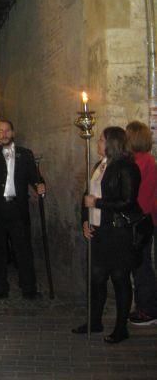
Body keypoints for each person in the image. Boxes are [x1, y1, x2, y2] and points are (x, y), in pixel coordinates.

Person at [72, 126, 141, 343]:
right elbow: (87, 196)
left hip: (118, 232)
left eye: (101, 140)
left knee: (120, 279)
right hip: (98, 230)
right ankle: (95, 321)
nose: (97, 143)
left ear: (112, 143)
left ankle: (121, 328)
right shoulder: (99, 165)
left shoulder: (127, 168)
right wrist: (85, 220)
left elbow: (128, 202)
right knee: (96, 278)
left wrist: (99, 203)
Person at [0, 120, 45, 299]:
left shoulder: (25, 154)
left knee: (23, 250)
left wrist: (40, 185)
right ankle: (0, 287)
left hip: (17, 209)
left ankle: (29, 288)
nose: (4, 134)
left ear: (13, 133)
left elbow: (35, 176)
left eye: (7, 131)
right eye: (0, 131)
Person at [126, 121, 157, 326]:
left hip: (142, 219)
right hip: (146, 217)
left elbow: (139, 196)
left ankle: (148, 310)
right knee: (141, 264)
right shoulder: (146, 160)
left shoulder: (140, 162)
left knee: (141, 265)